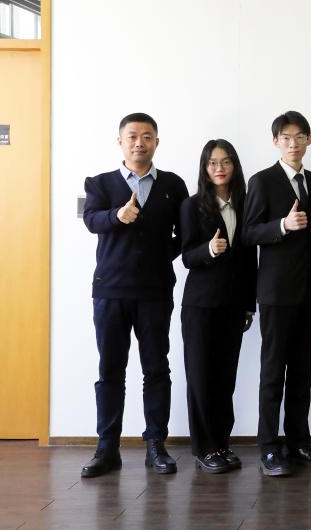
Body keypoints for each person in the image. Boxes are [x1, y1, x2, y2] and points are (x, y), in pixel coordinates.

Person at [81, 113, 188, 478]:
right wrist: (118, 215)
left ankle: (156, 445)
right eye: (132, 136)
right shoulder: (100, 183)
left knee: (156, 368)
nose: (139, 142)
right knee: (110, 370)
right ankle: (106, 448)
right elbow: (91, 220)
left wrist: (159, 257)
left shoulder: (173, 185)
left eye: (147, 136)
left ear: (156, 141)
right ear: (120, 142)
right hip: (110, 291)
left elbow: (184, 235)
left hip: (155, 292)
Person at [242, 111, 311, 477]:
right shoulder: (261, 180)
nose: (293, 143)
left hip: (310, 289)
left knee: (302, 371)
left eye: (299, 137)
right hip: (276, 291)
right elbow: (248, 233)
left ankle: (298, 441)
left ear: (309, 140)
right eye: (286, 137)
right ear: (276, 142)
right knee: (272, 371)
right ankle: (268, 446)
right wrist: (282, 224)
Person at [179, 140, 257, 474]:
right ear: (205, 168)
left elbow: (250, 258)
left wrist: (249, 305)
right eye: (212, 163)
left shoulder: (246, 203)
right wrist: (209, 250)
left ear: (234, 166)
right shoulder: (191, 205)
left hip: (233, 305)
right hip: (200, 304)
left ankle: (222, 443)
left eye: (225, 162)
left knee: (225, 378)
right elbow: (186, 256)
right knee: (201, 377)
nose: (219, 168)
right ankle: (204, 448)